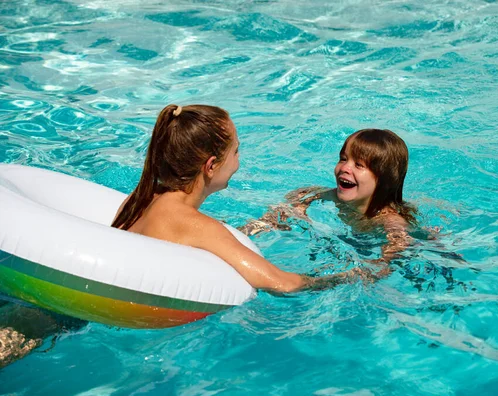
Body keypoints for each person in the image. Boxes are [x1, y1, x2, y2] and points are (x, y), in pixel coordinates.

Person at [112, 104, 365, 293]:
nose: (237, 162)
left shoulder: (141, 197)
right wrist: (351, 276)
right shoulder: (195, 225)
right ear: (211, 166)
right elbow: (283, 284)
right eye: (235, 151)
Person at [241, 129, 418, 268]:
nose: (345, 168)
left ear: (384, 180)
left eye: (358, 165)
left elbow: (390, 260)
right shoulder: (330, 196)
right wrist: (291, 211)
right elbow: (300, 195)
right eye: (343, 159)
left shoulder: (391, 222)